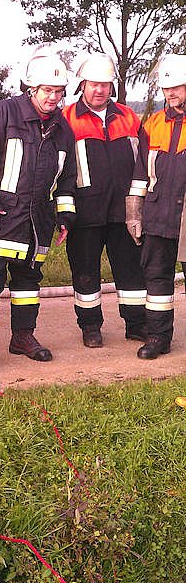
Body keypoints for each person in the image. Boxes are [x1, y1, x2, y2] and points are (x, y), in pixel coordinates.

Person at [0, 53, 76, 374]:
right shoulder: (4, 113)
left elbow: (67, 179)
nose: (53, 97)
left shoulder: (62, 129)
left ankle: (23, 337)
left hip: (37, 222)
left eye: (59, 91)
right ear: (31, 88)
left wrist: (65, 215)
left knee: (28, 284)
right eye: (47, 90)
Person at [62, 53, 146, 348]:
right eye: (94, 84)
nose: (99, 90)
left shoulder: (128, 116)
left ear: (112, 87)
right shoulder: (66, 119)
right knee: (85, 273)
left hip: (124, 211)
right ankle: (90, 327)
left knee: (132, 270)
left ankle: (136, 324)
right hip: (84, 212)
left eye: (105, 84)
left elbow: (144, 161)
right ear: (82, 85)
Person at [126, 53, 186, 359]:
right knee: (157, 278)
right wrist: (134, 214)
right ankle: (158, 337)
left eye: (176, 87)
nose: (170, 93)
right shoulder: (153, 124)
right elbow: (140, 174)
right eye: (166, 88)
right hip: (158, 212)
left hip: (184, 217)